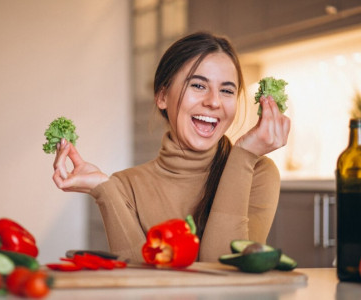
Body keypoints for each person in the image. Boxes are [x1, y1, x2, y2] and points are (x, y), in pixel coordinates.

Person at [52, 32, 290, 262]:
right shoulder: (125, 186)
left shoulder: (256, 172)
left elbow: (226, 271)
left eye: (226, 91)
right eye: (198, 85)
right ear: (162, 96)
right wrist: (102, 189)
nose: (214, 102)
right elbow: (139, 282)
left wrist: (243, 157)